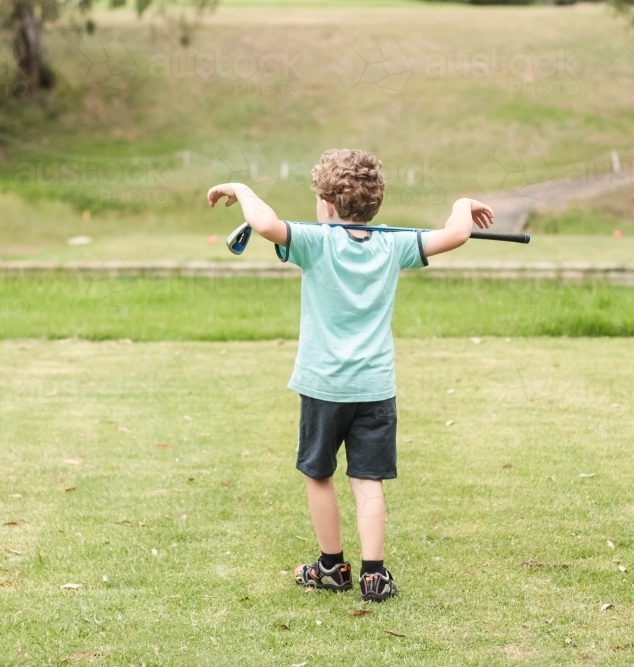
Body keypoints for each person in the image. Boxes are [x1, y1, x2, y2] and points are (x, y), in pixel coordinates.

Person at [207, 148, 494, 601]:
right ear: (376, 203)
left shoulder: (314, 241)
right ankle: (375, 575)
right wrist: (463, 203)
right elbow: (458, 234)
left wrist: (241, 188)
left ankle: (330, 567)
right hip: (375, 388)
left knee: (318, 474)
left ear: (325, 203)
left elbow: (264, 225)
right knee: (367, 481)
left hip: (324, 387)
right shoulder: (394, 243)